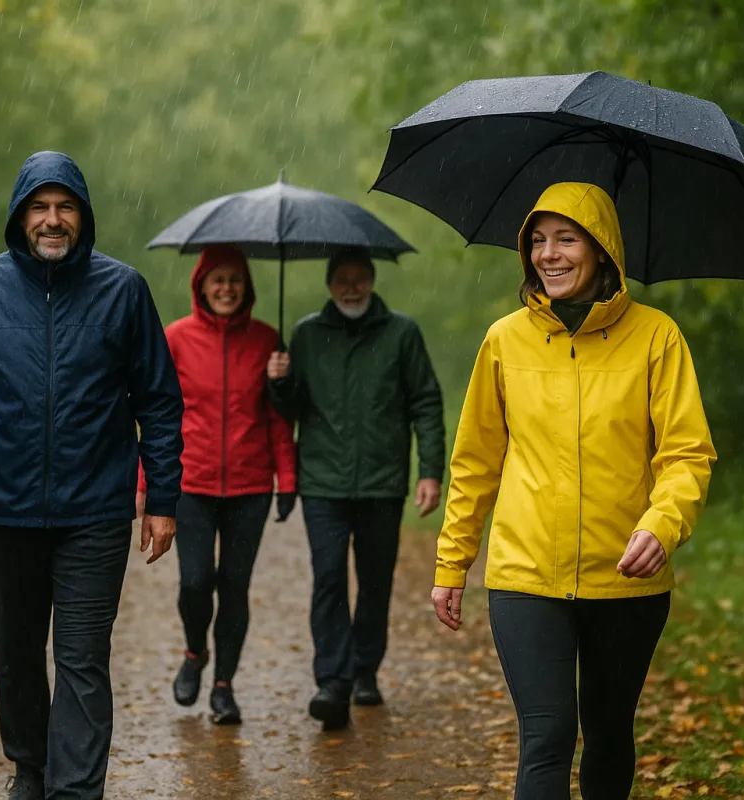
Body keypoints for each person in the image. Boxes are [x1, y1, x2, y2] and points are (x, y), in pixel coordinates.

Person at [430, 182, 716, 799]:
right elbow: (475, 461)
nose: (548, 255)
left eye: (566, 238)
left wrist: (662, 525)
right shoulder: (505, 340)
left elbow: (687, 454)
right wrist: (452, 562)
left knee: (609, 733)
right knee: (548, 733)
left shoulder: (657, 337)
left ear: (603, 249)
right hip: (527, 574)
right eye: (537, 240)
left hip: (628, 577)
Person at [0, 151, 183, 800]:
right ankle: (31, 770)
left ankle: (75, 791)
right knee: (15, 657)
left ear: (83, 216)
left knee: (82, 660)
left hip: (95, 511)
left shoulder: (123, 291)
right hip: (4, 511)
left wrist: (163, 497)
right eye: (40, 207)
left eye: (65, 207)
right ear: (19, 216)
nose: (53, 219)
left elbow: (159, 400)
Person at [267, 247, 445, 731]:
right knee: (328, 578)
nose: (351, 287)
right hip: (323, 483)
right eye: (341, 279)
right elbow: (291, 409)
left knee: (374, 581)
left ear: (371, 281)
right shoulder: (306, 334)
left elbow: (426, 403)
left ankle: (365, 669)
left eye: (359, 278)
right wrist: (278, 384)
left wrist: (430, 471)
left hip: (382, 483)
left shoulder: (401, 333)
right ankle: (332, 681)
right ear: (329, 284)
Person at [135, 245, 296, 725]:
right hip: (193, 484)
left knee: (235, 586)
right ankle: (193, 651)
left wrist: (287, 478)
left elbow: (278, 420)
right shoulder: (176, 339)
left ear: (247, 288)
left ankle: (224, 685)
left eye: (235, 280)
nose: (226, 288)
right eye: (217, 280)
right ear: (200, 286)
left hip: (250, 487)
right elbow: (158, 416)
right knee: (195, 582)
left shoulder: (269, 341)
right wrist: (145, 483)